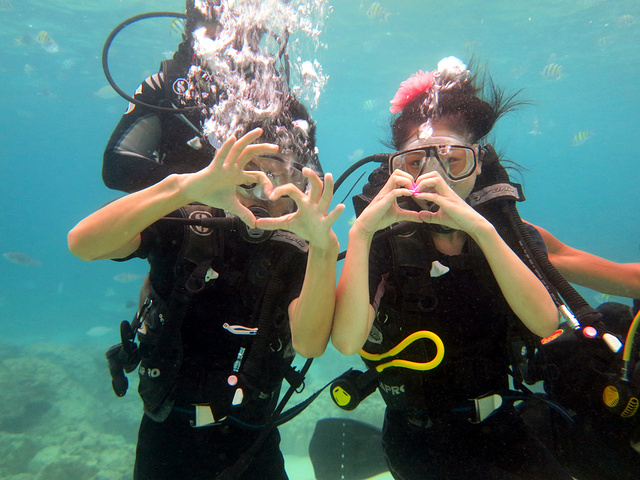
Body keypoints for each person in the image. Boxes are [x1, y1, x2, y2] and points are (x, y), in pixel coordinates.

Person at [331, 56, 573, 479]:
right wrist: (362, 234)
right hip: (418, 438)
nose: (435, 176)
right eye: (415, 162)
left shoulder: (504, 229)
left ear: (478, 162)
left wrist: (481, 230)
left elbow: (543, 321)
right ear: (396, 169)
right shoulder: (388, 240)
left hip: (501, 423)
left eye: (453, 160)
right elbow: (348, 340)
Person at [69, 113, 343, 480]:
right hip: (166, 431)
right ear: (225, 170)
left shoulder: (296, 250)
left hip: (253, 437)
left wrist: (323, 248)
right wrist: (183, 187)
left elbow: (309, 343)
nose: (261, 192)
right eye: (249, 176)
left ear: (299, 187)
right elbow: (83, 244)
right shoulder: (186, 224)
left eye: (277, 179)